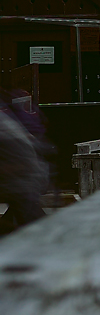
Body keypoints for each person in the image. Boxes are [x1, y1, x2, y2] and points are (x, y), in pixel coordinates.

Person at [0, 89, 52, 230]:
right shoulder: (9, 120)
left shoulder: (7, 121)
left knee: (31, 217)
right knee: (25, 213)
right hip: (25, 178)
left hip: (21, 180)